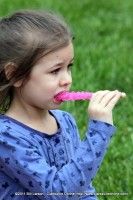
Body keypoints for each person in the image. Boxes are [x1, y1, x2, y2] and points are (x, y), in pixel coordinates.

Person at [0, 10, 126, 200]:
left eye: (69, 67)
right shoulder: (6, 136)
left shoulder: (65, 121)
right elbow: (58, 192)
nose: (67, 79)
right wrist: (99, 132)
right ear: (15, 74)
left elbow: (81, 188)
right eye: (55, 70)